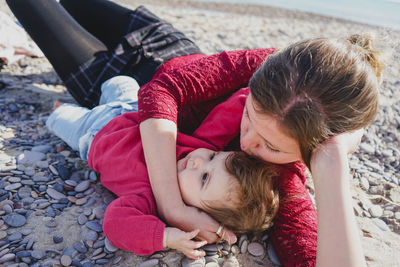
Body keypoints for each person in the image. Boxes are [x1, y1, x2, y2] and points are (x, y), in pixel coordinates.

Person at [6, 0, 384, 266]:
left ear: (310, 153)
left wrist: (332, 165)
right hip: (160, 43)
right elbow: (163, 89)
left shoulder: (281, 183)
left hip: (102, 88)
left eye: (270, 146)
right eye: (250, 116)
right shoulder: (276, 68)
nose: (249, 144)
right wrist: (172, 205)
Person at [46, 75, 282, 258]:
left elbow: (115, 224)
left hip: (91, 134)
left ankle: (60, 106)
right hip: (133, 108)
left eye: (203, 178)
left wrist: (165, 236)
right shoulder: (202, 144)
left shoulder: (148, 200)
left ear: (199, 213)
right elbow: (240, 104)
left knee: (57, 117)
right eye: (212, 158)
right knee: (119, 81)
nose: (198, 161)